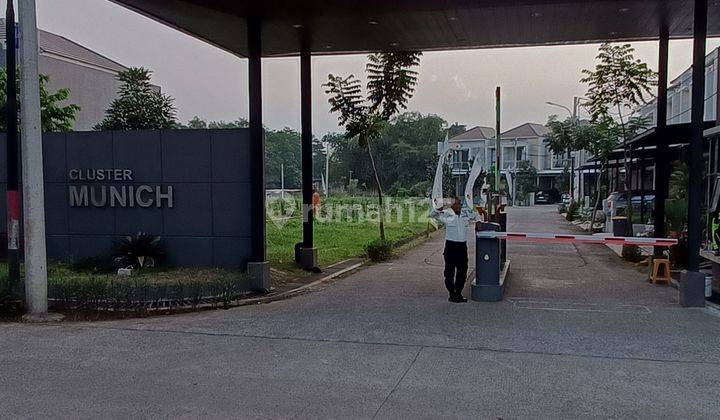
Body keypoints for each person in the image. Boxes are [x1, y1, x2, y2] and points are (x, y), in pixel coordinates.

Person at [429, 197, 481, 303]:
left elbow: (476, 214)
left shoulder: (466, 213)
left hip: (462, 247)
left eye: (459, 203)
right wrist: (439, 208)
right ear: (451, 205)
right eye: (455, 204)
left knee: (462, 271)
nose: (458, 205)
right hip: (451, 247)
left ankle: (458, 293)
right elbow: (432, 215)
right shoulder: (446, 214)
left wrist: (478, 222)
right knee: (449, 272)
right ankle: (452, 293)